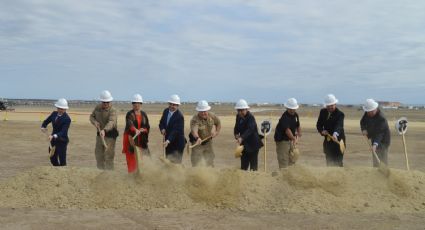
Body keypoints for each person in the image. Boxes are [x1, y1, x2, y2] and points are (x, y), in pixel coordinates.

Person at [89, 90, 119, 170]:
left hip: (110, 136)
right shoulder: (97, 107)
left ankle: (109, 175)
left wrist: (104, 130)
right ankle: (100, 172)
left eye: (107, 102)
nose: (105, 104)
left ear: (110, 101)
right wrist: (94, 122)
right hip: (100, 135)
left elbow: (112, 122)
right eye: (104, 102)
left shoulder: (113, 110)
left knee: (108, 156)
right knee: (98, 155)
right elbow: (92, 117)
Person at [122, 94, 150, 173]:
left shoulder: (144, 114)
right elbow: (129, 124)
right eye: (134, 103)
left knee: (144, 156)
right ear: (132, 104)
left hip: (141, 139)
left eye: (138, 103)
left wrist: (143, 130)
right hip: (131, 138)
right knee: (131, 157)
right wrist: (135, 130)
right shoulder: (129, 114)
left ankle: (142, 173)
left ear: (141, 104)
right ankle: (132, 175)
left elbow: (147, 126)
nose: (136, 104)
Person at [316, 94, 345, 167]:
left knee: (338, 162)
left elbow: (339, 126)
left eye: (332, 105)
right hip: (328, 142)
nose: (330, 107)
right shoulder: (322, 112)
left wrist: (335, 134)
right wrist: (322, 131)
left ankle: (339, 177)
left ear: (335, 104)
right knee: (329, 162)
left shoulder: (340, 114)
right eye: (328, 105)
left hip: (338, 141)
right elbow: (319, 124)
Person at [189, 100, 221, 167]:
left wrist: (216, 132)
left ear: (207, 110)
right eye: (201, 111)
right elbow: (194, 130)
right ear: (198, 111)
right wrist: (197, 138)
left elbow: (218, 123)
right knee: (196, 162)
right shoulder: (195, 119)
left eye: (205, 111)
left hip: (208, 143)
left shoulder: (212, 116)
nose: (203, 113)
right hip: (197, 143)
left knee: (210, 161)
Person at [41, 98, 71, 166]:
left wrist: (53, 136)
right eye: (59, 108)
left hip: (62, 141)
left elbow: (63, 131)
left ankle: (63, 173)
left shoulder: (67, 119)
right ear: (57, 107)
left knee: (62, 160)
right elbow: (46, 121)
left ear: (65, 109)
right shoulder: (54, 114)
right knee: (52, 158)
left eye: (63, 109)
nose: (60, 110)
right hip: (53, 141)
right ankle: (57, 170)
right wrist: (43, 127)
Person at [360, 99, 391, 167]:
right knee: (375, 155)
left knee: (382, 156)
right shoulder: (368, 113)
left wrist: (375, 144)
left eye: (370, 112)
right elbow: (362, 122)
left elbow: (380, 133)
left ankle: (384, 171)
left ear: (375, 109)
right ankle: (376, 170)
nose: (368, 114)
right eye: (367, 112)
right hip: (374, 137)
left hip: (383, 140)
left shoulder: (381, 118)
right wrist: (364, 129)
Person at [234, 99, 262, 171]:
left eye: (242, 110)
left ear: (246, 109)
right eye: (238, 110)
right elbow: (236, 127)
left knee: (253, 167)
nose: (240, 112)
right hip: (244, 145)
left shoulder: (250, 118)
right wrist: (236, 134)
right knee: (243, 166)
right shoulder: (238, 117)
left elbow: (250, 129)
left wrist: (241, 138)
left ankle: (254, 180)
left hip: (253, 144)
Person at [274, 98, 302, 169]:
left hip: (290, 140)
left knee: (293, 158)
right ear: (287, 108)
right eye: (291, 109)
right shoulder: (284, 117)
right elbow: (287, 130)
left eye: (294, 109)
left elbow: (298, 125)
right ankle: (283, 176)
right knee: (284, 160)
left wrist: (299, 133)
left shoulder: (295, 115)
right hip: (282, 141)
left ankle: (291, 175)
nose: (293, 110)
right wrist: (293, 139)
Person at [159, 94, 186, 163]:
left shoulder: (180, 117)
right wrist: (162, 129)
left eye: (174, 105)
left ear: (177, 106)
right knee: (168, 161)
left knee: (176, 163)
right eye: (171, 104)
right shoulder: (166, 111)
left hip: (178, 143)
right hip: (168, 142)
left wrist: (168, 141)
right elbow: (161, 122)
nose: (172, 106)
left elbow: (175, 131)